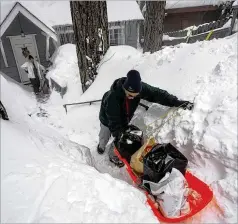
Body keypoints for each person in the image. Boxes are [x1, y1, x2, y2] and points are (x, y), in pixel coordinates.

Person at [98, 70, 194, 167]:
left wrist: (176, 102)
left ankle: (113, 154)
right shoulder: (112, 98)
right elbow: (114, 124)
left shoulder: (140, 88)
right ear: (124, 88)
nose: (131, 97)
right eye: (129, 95)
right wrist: (121, 137)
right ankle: (101, 147)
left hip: (125, 117)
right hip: (107, 118)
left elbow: (158, 94)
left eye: (135, 96)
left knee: (122, 136)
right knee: (106, 134)